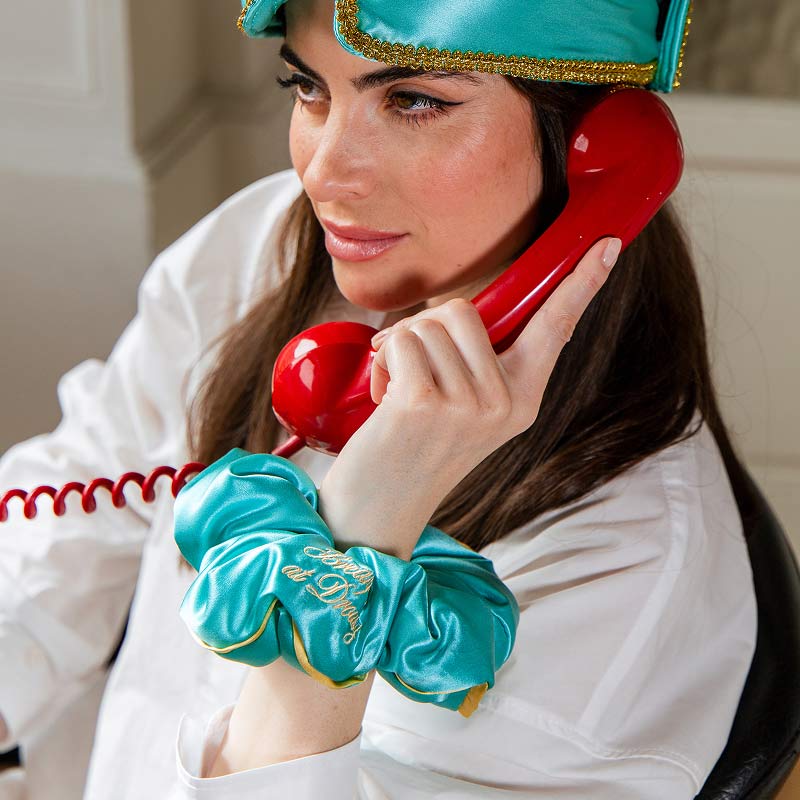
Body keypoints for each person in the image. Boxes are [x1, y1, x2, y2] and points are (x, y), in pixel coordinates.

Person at [0, 0, 758, 797]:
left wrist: (368, 519)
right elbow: (73, 516)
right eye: (309, 88)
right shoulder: (259, 247)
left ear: (600, 148)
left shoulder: (620, 582)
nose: (323, 172)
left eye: (414, 101)